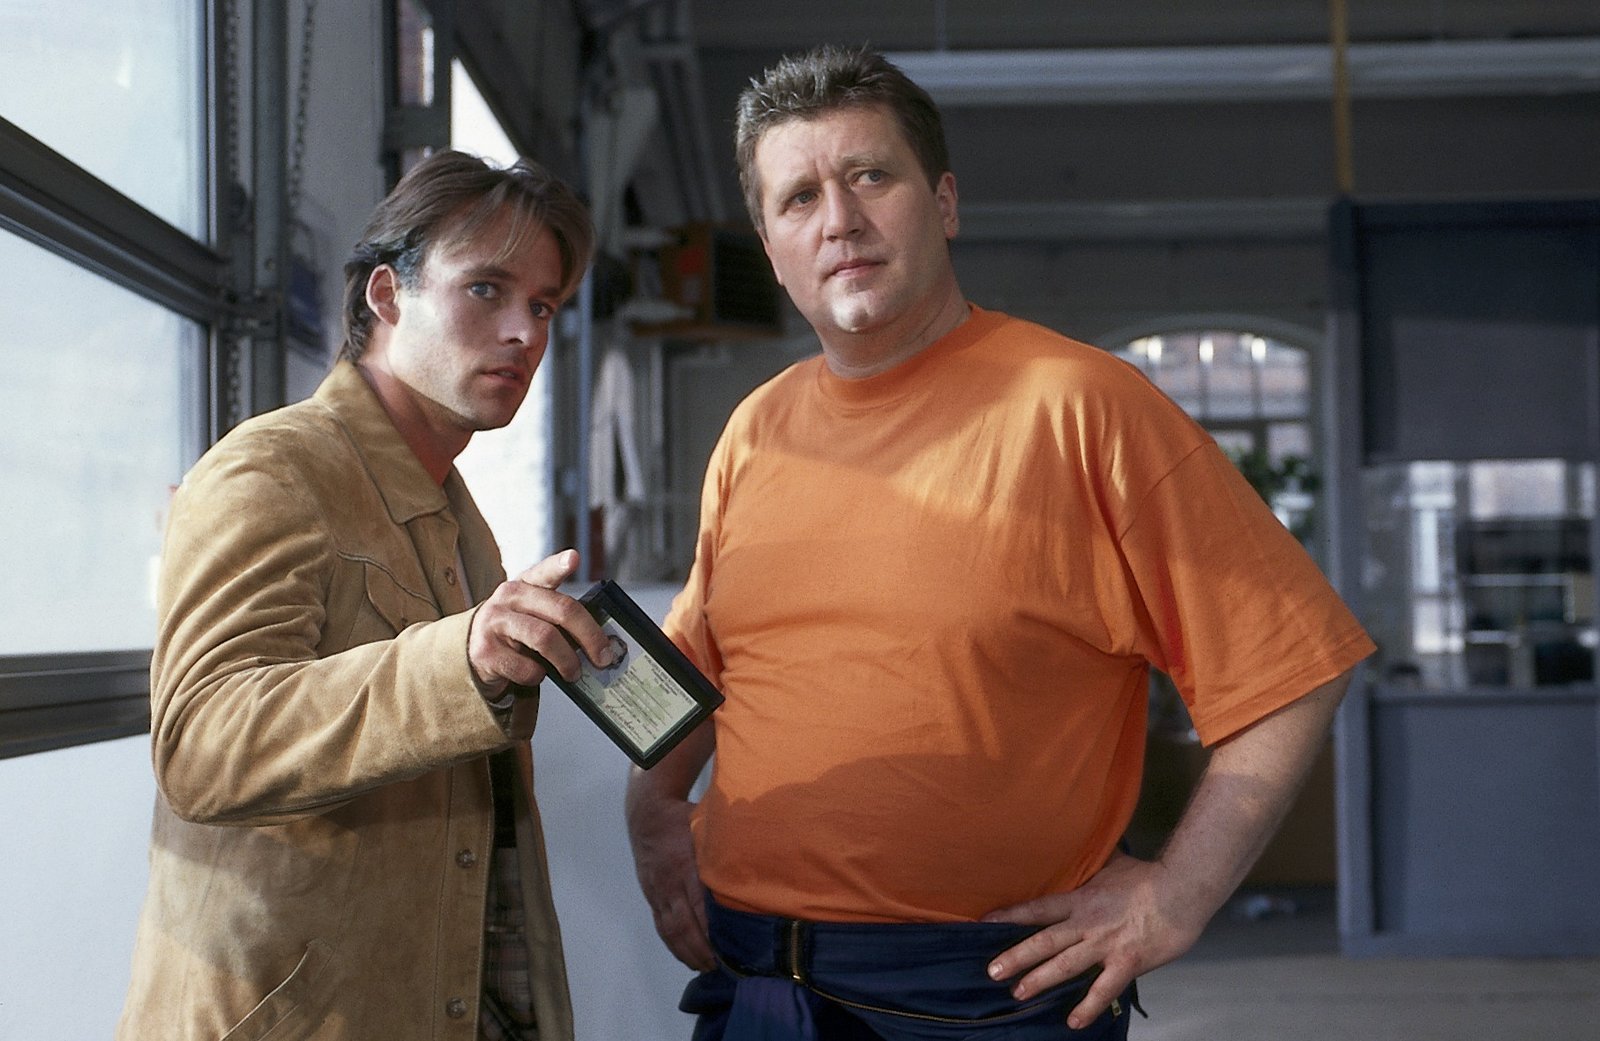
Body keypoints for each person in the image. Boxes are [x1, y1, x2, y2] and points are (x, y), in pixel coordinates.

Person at [625, 45, 1375, 1040]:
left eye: (870, 177)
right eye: (799, 198)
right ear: (770, 245)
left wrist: (1177, 895)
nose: (839, 219)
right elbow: (696, 663)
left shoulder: (1081, 407)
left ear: (943, 203)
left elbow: (1297, 666)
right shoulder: (755, 431)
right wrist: (651, 807)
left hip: (985, 997)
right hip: (761, 986)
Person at [119, 150, 613, 1041]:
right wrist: (458, 661)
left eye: (543, 306)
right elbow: (200, 743)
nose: (523, 332)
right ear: (388, 296)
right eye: (486, 289)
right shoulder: (273, 469)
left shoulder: (457, 515)